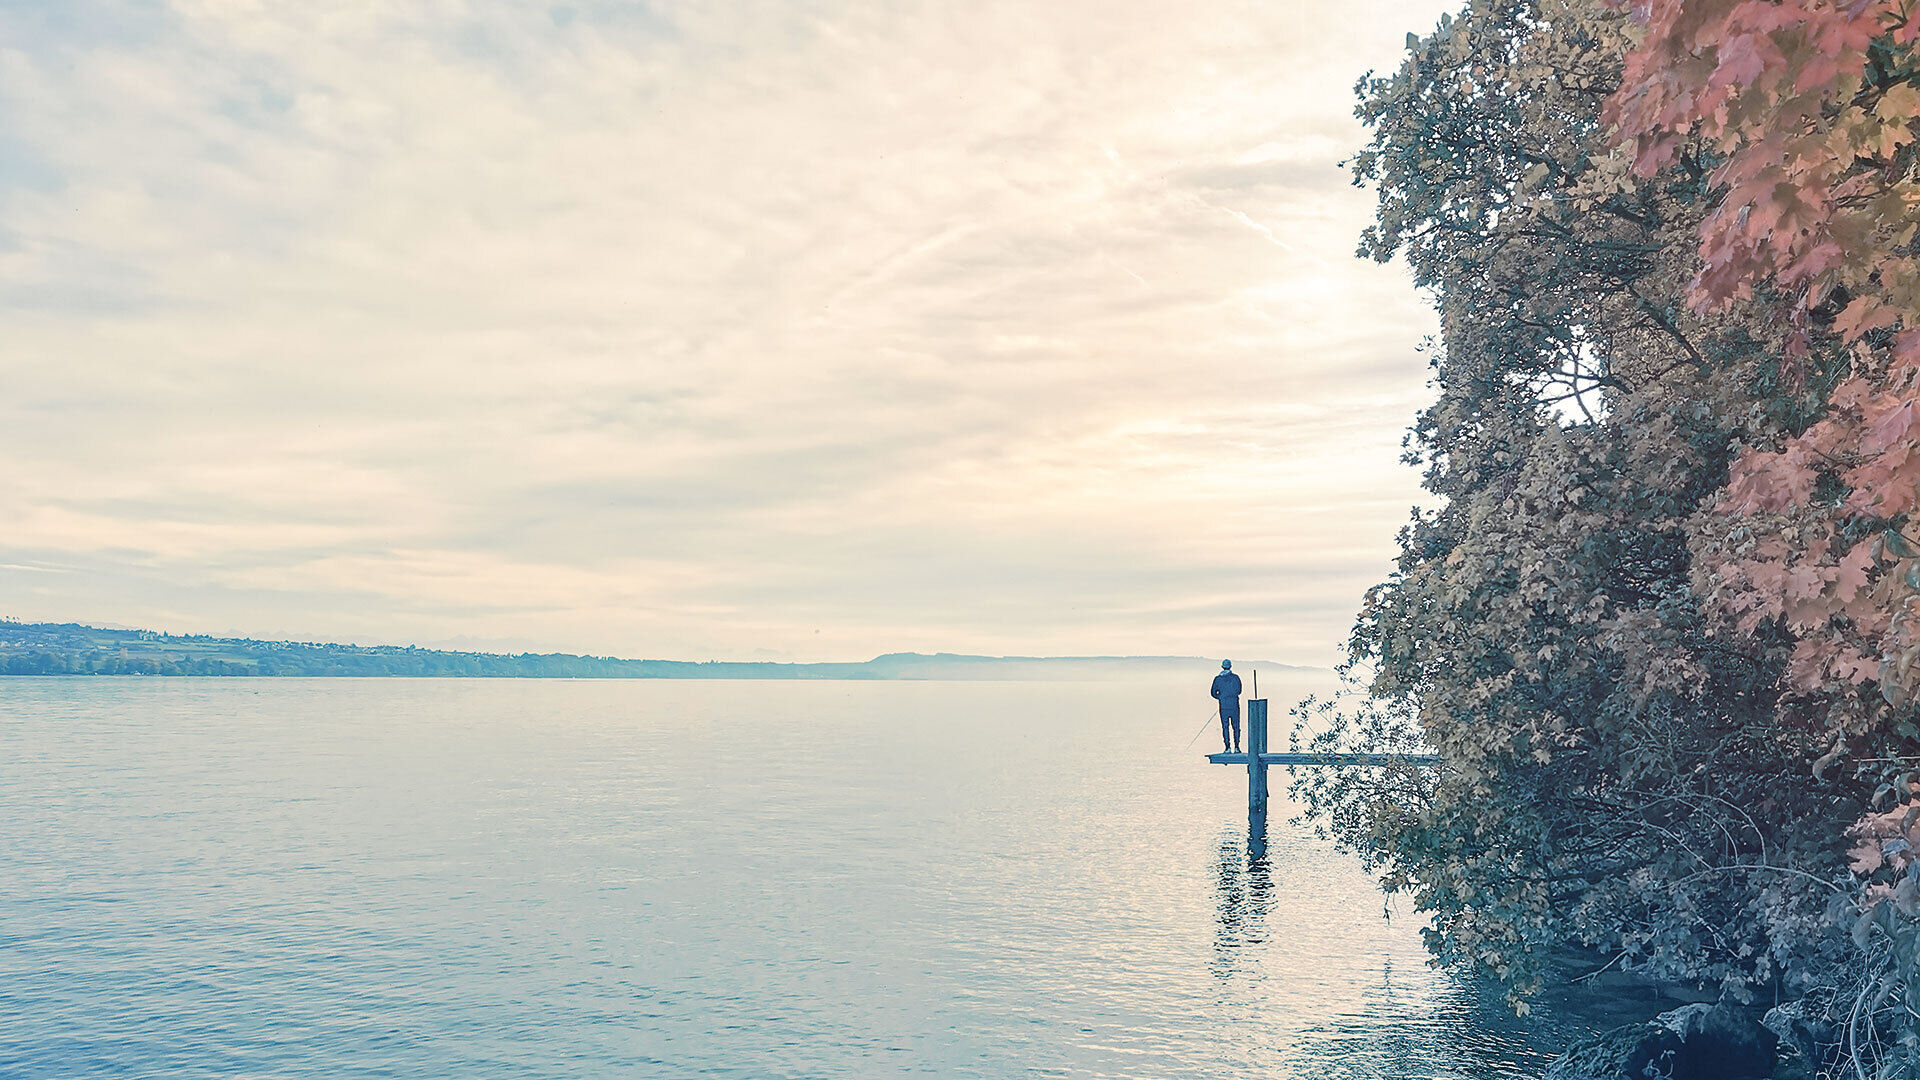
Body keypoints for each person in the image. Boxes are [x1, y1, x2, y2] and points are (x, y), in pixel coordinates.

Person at [1211, 659, 1242, 752]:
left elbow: (1213, 693)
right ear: (1230, 666)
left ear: (1222, 667)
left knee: (1225, 726)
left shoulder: (1218, 679)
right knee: (1236, 726)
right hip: (1234, 705)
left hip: (1223, 706)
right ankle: (1237, 747)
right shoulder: (1236, 678)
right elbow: (1239, 691)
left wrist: (1220, 697)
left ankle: (1227, 747)